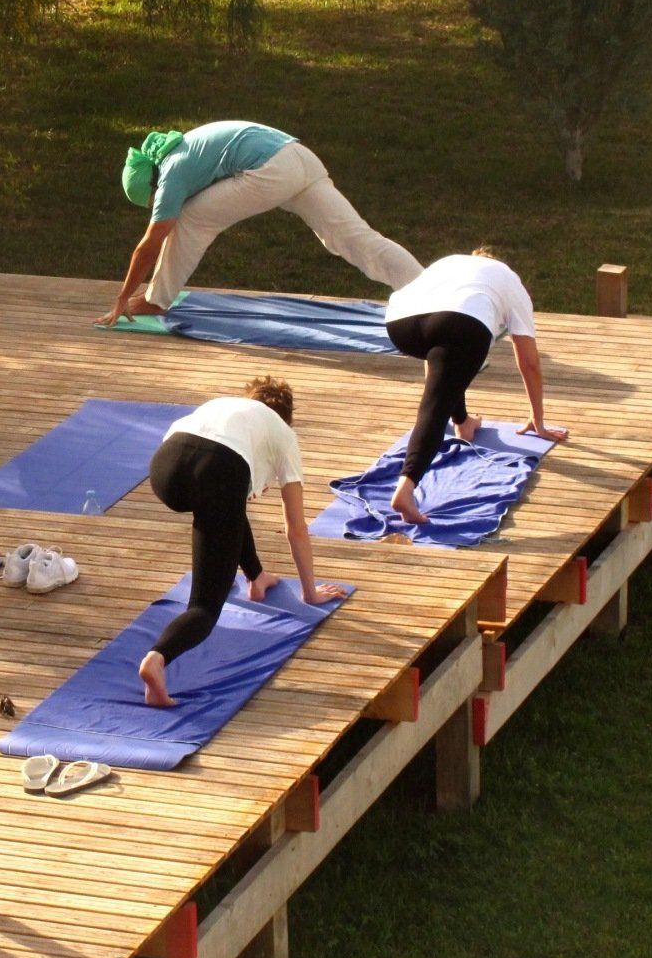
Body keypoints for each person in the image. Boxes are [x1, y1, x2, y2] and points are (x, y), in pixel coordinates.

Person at [139, 379, 349, 708]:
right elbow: (295, 527)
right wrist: (310, 592)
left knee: (225, 508)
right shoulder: (283, 433)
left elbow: (231, 508)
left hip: (164, 469)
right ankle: (157, 660)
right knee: (204, 607)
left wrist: (254, 572)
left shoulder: (224, 406)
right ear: (287, 417)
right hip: (218, 470)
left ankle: (256, 577)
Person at [96, 121, 422, 327]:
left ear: (153, 185)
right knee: (356, 238)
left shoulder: (171, 173)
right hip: (300, 158)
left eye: (152, 203)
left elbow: (151, 242)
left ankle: (156, 300)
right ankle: (432, 293)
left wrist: (123, 297)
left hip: (272, 169)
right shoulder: (185, 149)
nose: (158, 207)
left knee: (191, 218)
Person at [381, 250, 570, 525]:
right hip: (462, 323)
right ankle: (406, 489)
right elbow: (529, 362)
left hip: (400, 324)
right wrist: (537, 421)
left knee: (444, 370)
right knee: (434, 408)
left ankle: (463, 422)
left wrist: (458, 415)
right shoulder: (509, 280)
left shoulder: (450, 262)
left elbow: (439, 347)